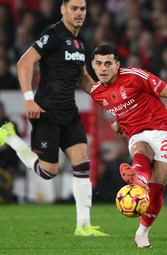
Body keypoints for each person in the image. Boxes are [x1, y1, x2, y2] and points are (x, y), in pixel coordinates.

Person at [0, 0, 108, 236]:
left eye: (83, 9)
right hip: (46, 112)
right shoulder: (52, 35)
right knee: (48, 172)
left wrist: (107, 98)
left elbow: (82, 78)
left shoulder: (81, 42)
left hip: (69, 112)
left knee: (82, 163)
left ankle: (83, 226)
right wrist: (29, 98)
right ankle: (10, 137)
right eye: (74, 8)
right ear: (63, 9)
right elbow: (24, 62)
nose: (79, 13)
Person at [90, 45, 167, 248]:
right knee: (140, 149)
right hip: (136, 133)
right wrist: (118, 122)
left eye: (108, 63)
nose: (103, 68)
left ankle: (142, 232)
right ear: (93, 66)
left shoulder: (134, 76)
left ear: (117, 65)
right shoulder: (96, 93)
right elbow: (118, 106)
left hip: (164, 130)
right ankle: (140, 177)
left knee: (156, 190)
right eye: (98, 64)